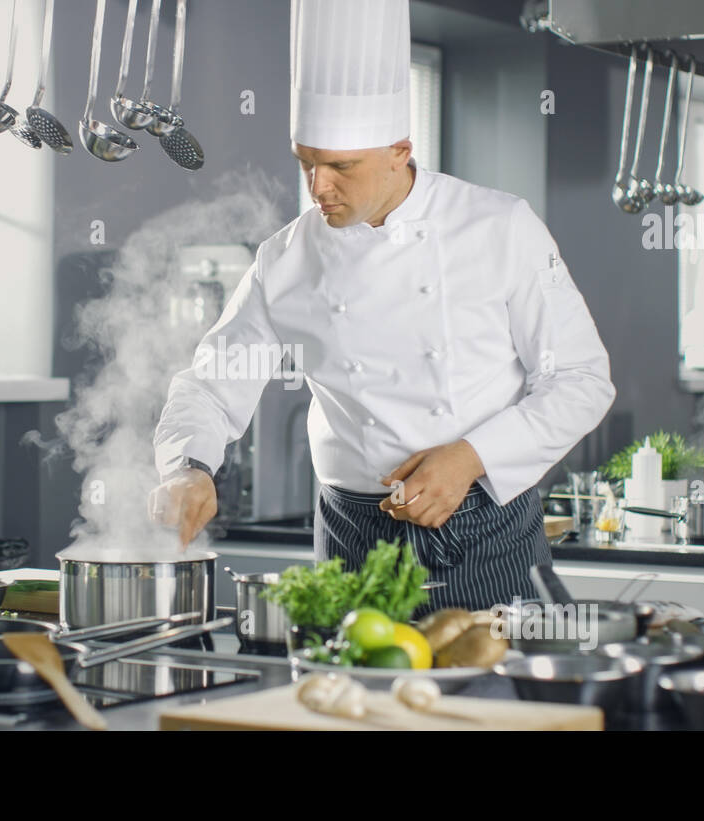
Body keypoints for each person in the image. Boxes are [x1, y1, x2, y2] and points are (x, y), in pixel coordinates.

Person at [147, 0, 615, 612]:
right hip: (350, 537)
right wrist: (189, 465)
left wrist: (471, 458)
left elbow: (582, 380)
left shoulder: (499, 227)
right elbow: (212, 382)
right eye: (306, 163)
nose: (318, 188)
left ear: (400, 150)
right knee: (349, 699)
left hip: (483, 529)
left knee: (489, 696)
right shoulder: (284, 259)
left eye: (340, 166)